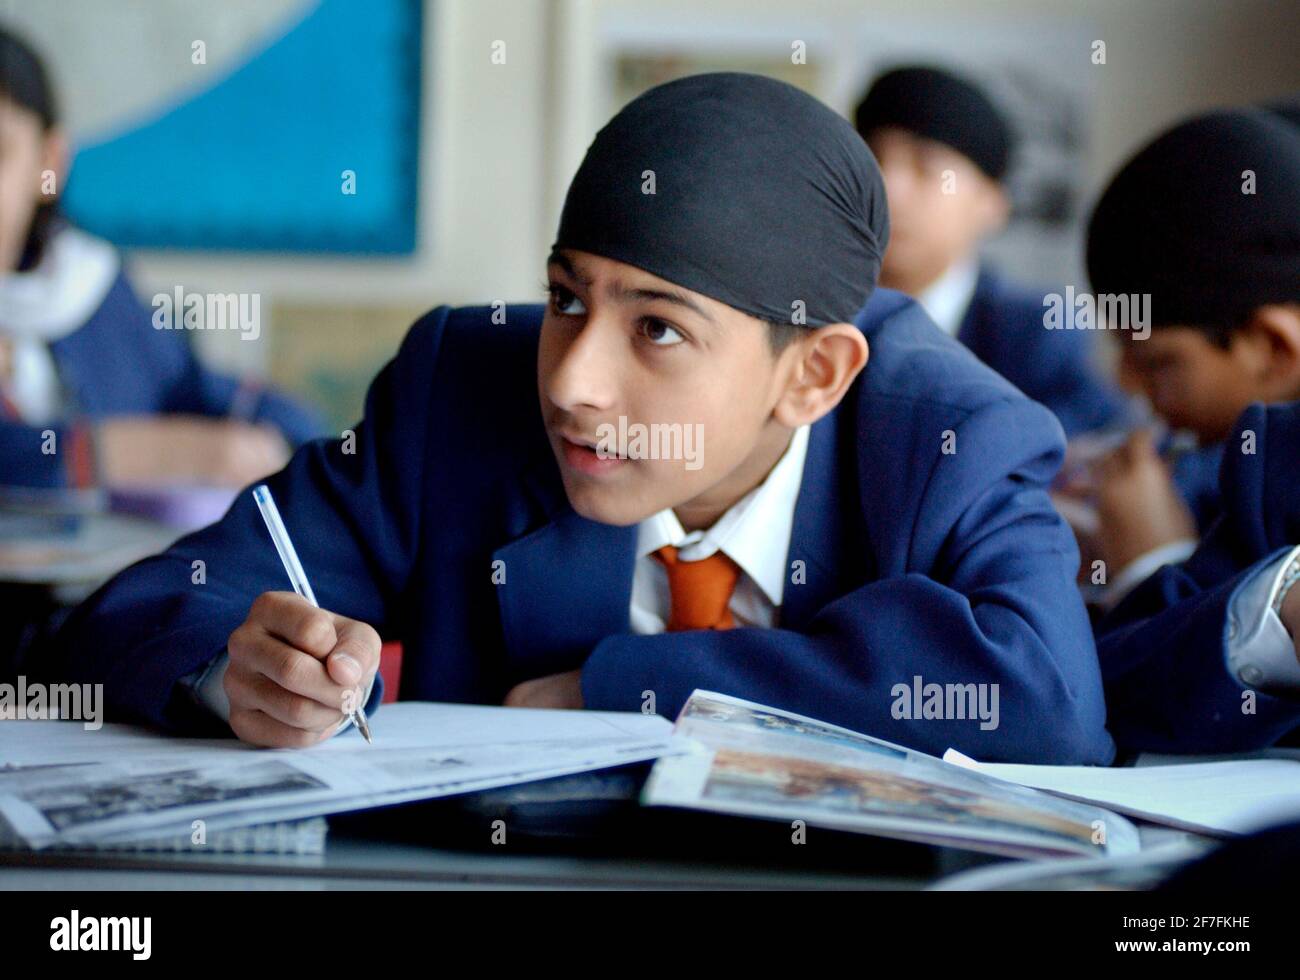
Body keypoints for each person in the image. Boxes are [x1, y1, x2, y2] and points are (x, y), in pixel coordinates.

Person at [46, 73, 1112, 764]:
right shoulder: (460, 383)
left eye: (657, 328)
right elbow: (143, 606)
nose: (570, 381)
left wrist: (622, 687)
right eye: (567, 298)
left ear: (813, 376)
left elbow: (1047, 702)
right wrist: (228, 670)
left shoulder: (945, 432)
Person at [0, 26, 324, 490]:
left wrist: (289, 436)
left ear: (49, 160)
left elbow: (197, 389)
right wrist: (173, 452)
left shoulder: (88, 287)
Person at [1083, 107, 1300, 753]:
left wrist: (1153, 566)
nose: (1126, 384)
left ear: (1271, 346)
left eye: (1158, 361)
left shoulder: (1271, 468)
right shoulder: (1216, 465)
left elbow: (1104, 696)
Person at [853, 65, 1124, 438]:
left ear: (992, 203)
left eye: (925, 168)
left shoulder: (1036, 335)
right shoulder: (812, 313)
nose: (888, 189)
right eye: (872, 162)